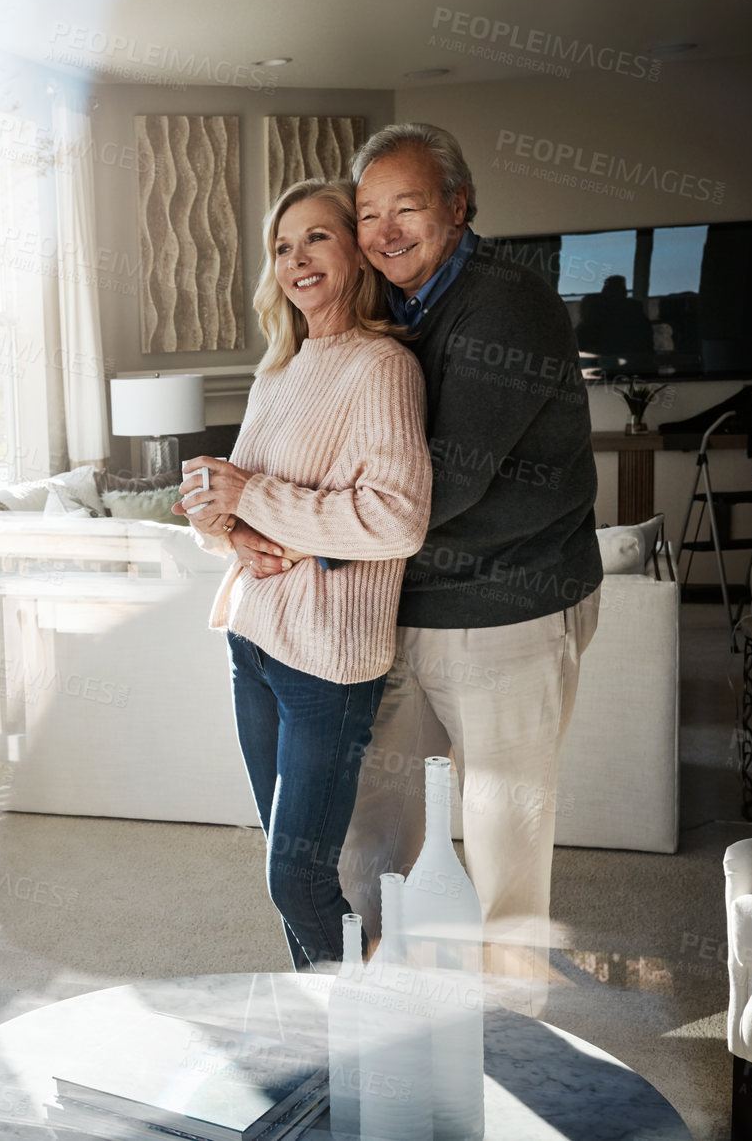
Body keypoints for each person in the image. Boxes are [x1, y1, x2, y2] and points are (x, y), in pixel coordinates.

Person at [231, 124, 604, 1011]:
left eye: (410, 207)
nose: (387, 230)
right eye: (369, 214)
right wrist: (254, 516)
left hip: (509, 610)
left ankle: (516, 1029)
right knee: (373, 832)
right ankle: (392, 1009)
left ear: (459, 207)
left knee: (504, 834)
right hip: (399, 614)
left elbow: (436, 489)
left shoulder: (503, 304)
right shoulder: (387, 313)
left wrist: (284, 529)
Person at [173, 178, 431, 971]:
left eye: (317, 237)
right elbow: (233, 513)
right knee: (291, 875)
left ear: (355, 248)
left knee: (296, 878)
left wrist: (253, 498)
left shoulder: (383, 366)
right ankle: (325, 1049)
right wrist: (222, 522)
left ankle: (366, 1049)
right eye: (283, 247)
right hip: (251, 640)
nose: (297, 258)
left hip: (327, 660)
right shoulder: (278, 371)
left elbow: (397, 518)